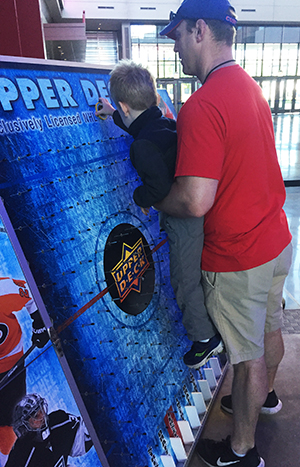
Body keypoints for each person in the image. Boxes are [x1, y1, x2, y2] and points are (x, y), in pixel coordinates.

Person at [159, 0, 292, 466]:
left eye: (176, 36)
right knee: (269, 327)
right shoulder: (248, 88)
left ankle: (242, 450)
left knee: (244, 357)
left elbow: (195, 200)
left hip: (239, 257)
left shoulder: (203, 103)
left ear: (199, 31)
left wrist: (155, 199)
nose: (175, 48)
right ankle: (265, 397)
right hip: (275, 240)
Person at [95, 61, 223, 369]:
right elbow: (139, 124)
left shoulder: (143, 146)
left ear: (124, 105)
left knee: (183, 279)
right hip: (200, 211)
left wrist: (141, 197)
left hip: (181, 219)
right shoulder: (165, 123)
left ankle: (204, 338)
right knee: (196, 274)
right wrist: (112, 114)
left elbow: (158, 186)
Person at [0, 277, 49, 466]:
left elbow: (29, 292)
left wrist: (38, 322)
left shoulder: (2, 292)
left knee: (7, 422)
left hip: (11, 361)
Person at [5, 393, 93, 466]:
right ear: (25, 426)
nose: (42, 416)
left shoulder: (59, 422)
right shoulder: (21, 455)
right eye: (36, 416)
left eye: (41, 409)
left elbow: (86, 437)